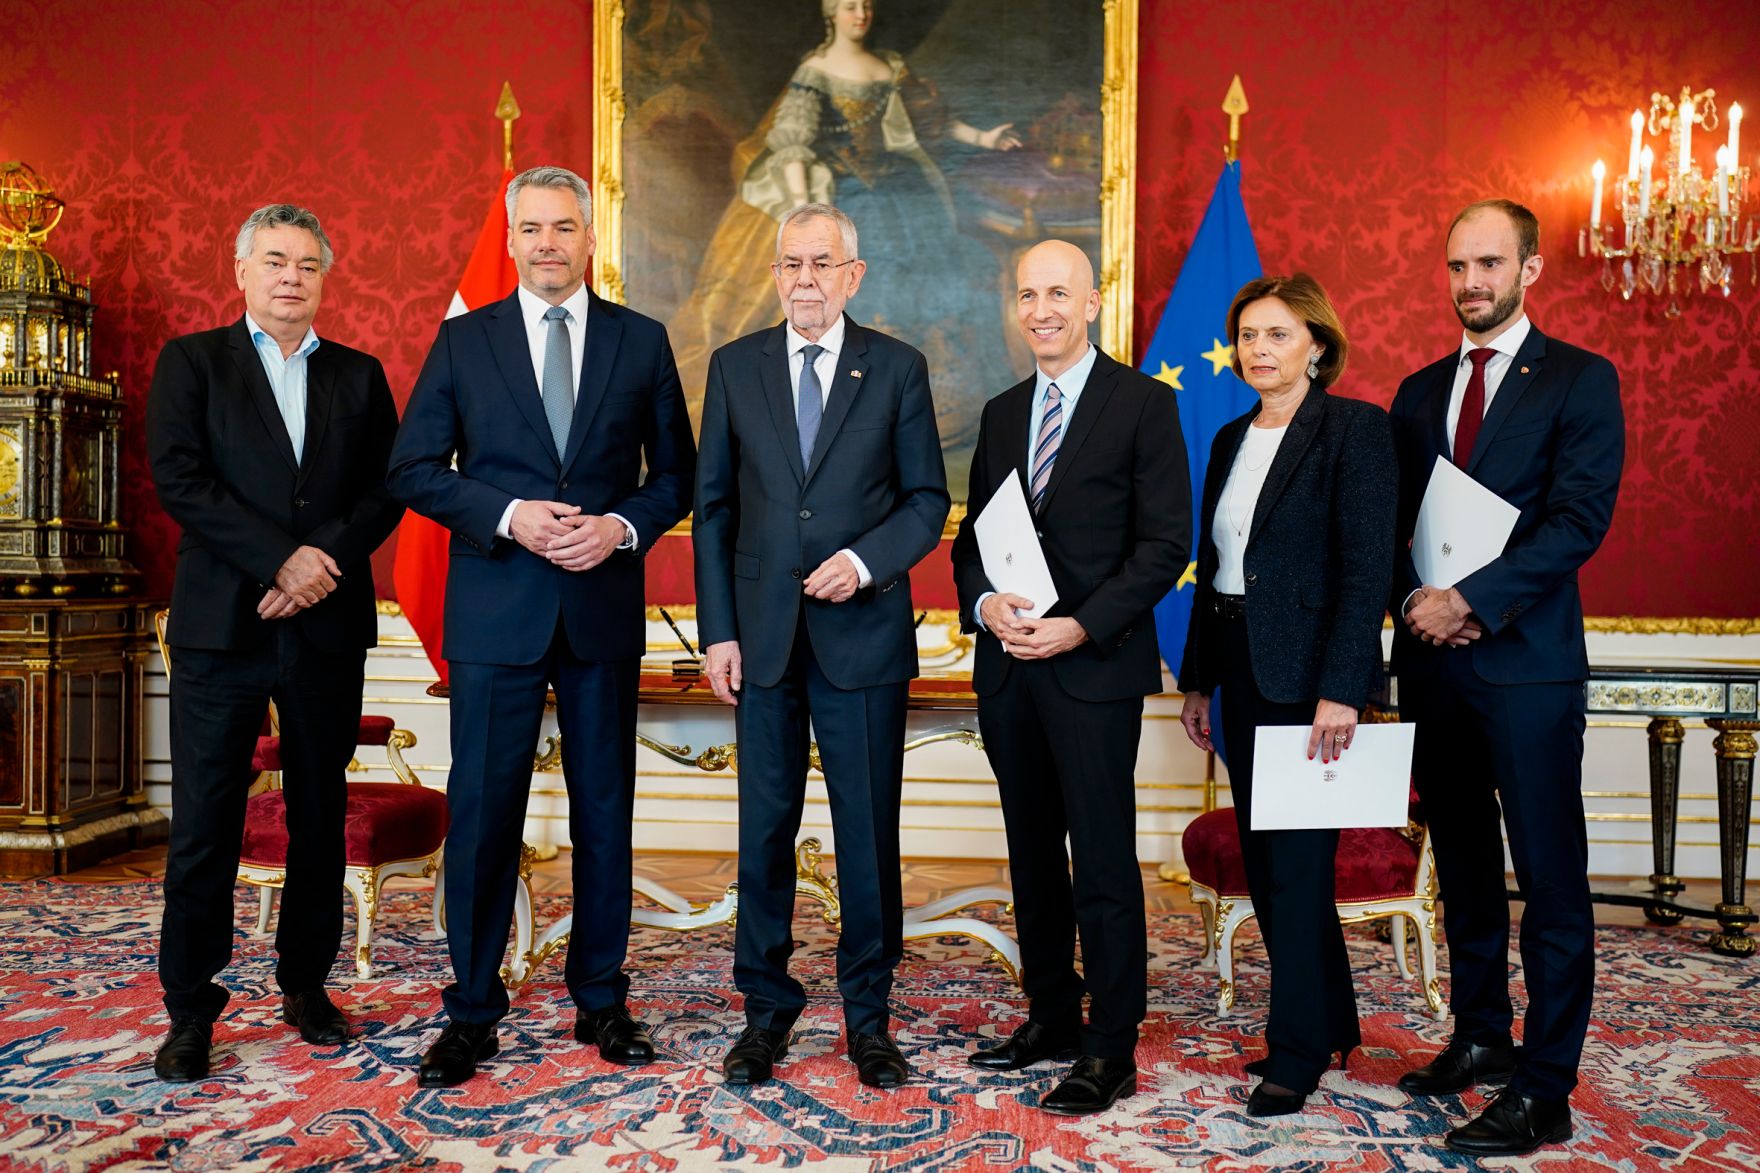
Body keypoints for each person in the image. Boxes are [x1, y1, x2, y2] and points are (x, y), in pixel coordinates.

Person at [387, 165, 696, 1088]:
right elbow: (412, 469)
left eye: (565, 227)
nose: (549, 243)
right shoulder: (463, 341)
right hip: (495, 611)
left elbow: (677, 476)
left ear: (590, 238)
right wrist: (508, 514)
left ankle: (602, 996)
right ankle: (472, 1008)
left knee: (607, 814)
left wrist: (621, 525)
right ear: (512, 238)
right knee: (483, 814)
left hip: (600, 608)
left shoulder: (641, 342)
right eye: (532, 228)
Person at [144, 203, 405, 1081]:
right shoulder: (192, 363)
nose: (292, 276)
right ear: (242, 272)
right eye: (275, 261)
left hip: (326, 623)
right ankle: (190, 1008)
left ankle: (306, 984)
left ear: (326, 277)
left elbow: (386, 490)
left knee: (318, 814)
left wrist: (319, 561)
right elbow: (180, 476)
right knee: (206, 822)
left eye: (307, 264)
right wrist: (280, 560)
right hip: (223, 625)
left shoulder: (360, 377)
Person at [694, 201, 949, 1090]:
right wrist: (718, 630)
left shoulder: (898, 369)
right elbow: (715, 509)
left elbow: (926, 499)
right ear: (774, 273)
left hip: (863, 640)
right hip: (760, 643)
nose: (803, 279)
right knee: (762, 834)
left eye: (821, 263)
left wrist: (863, 561)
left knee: (865, 837)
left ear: (854, 274)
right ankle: (764, 1014)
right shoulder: (735, 367)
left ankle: (869, 1021)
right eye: (789, 263)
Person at [1390, 199, 1624, 1157]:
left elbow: (1579, 519)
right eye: (1457, 266)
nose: (1471, 283)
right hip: (1432, 671)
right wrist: (1415, 600)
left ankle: (1547, 1084)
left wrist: (1471, 601)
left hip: (1525, 668)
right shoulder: (1415, 392)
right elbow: (1391, 521)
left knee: (1550, 879)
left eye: (1490, 264)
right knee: (1467, 873)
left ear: (1530, 269)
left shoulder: (1580, 379)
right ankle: (1483, 1035)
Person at [949, 240, 1189, 1115]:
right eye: (1027, 294)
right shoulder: (1004, 410)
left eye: (1058, 292)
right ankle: (1050, 1012)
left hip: (1093, 669)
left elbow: (1166, 545)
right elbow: (974, 537)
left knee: (1101, 860)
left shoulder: (1144, 405)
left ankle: (1110, 1043)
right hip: (1010, 668)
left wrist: (1079, 624)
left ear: (1093, 301)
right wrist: (986, 606)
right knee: (1030, 855)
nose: (1041, 308)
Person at [1177, 273, 1397, 1118]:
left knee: (1298, 868)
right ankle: (1332, 1019)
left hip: (1309, 684)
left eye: (1275, 334)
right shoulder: (1232, 437)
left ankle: (1297, 1049)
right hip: (1237, 670)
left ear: (1317, 344)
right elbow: (1215, 570)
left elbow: (1365, 568)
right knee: (1271, 867)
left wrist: (1344, 689)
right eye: (1247, 335)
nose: (1257, 349)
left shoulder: (1354, 432)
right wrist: (1200, 678)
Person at [668, 0, 1019, 471]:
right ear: (831, 13)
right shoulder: (816, 69)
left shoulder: (888, 67)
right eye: (850, 5)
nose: (861, 13)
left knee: (926, 265)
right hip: (840, 191)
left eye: (867, 5)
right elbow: (793, 140)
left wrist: (984, 139)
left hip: (896, 185)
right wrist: (800, 208)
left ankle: (920, 401)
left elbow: (929, 122)